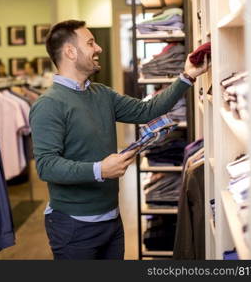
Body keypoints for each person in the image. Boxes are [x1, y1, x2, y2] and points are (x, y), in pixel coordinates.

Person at [29, 20, 208, 260]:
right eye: (90, 43)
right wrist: (100, 169)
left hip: (111, 221)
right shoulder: (49, 104)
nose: (98, 48)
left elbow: (147, 111)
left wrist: (187, 76)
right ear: (70, 52)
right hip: (73, 227)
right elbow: (46, 166)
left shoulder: (101, 93)